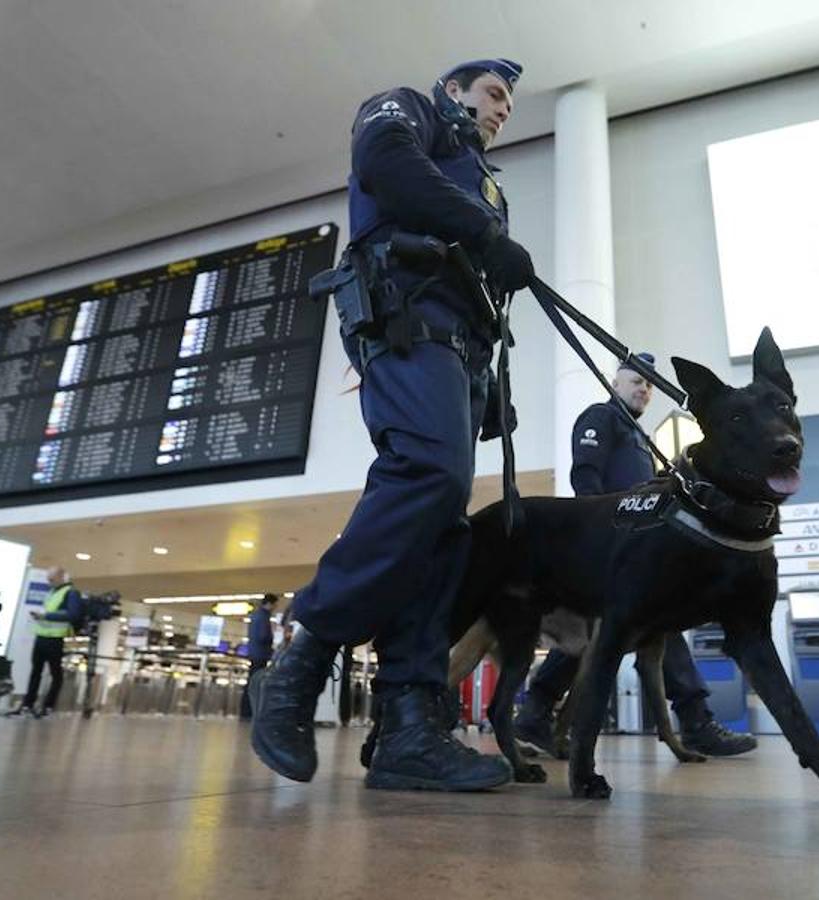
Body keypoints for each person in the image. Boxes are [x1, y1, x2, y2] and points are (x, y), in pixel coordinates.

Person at [250, 58, 534, 792]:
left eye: (509, 101)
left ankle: (411, 722)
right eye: (493, 93)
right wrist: (483, 229)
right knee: (430, 477)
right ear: (453, 90)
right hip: (408, 325)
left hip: (460, 352)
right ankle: (304, 658)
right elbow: (383, 163)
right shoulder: (406, 109)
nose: (503, 107)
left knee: (443, 529)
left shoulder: (478, 172)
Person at [512, 355, 759, 758]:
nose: (644, 389)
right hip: (611, 545)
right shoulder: (602, 418)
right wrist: (596, 540)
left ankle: (535, 713)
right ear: (615, 382)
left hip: (639, 549)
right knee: (655, 621)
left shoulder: (638, 438)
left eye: (649, 385)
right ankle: (695, 720)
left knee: (609, 631)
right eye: (636, 381)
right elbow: (586, 479)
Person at [14, 566, 82, 718]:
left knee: (55, 674)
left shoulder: (71, 593)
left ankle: (48, 705)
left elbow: (73, 614)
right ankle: (28, 704)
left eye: (52, 579)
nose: (49, 582)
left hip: (55, 637)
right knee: (35, 672)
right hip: (42, 635)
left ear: (61, 577)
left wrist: (46, 616)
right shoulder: (52, 592)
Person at [239, 594, 278, 721]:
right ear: (270, 604)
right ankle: (249, 711)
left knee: (252, 681)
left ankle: (246, 711)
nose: (276, 607)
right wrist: (271, 640)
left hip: (254, 652)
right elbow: (263, 636)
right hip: (261, 654)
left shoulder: (255, 615)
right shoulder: (263, 617)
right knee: (255, 683)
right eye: (275, 604)